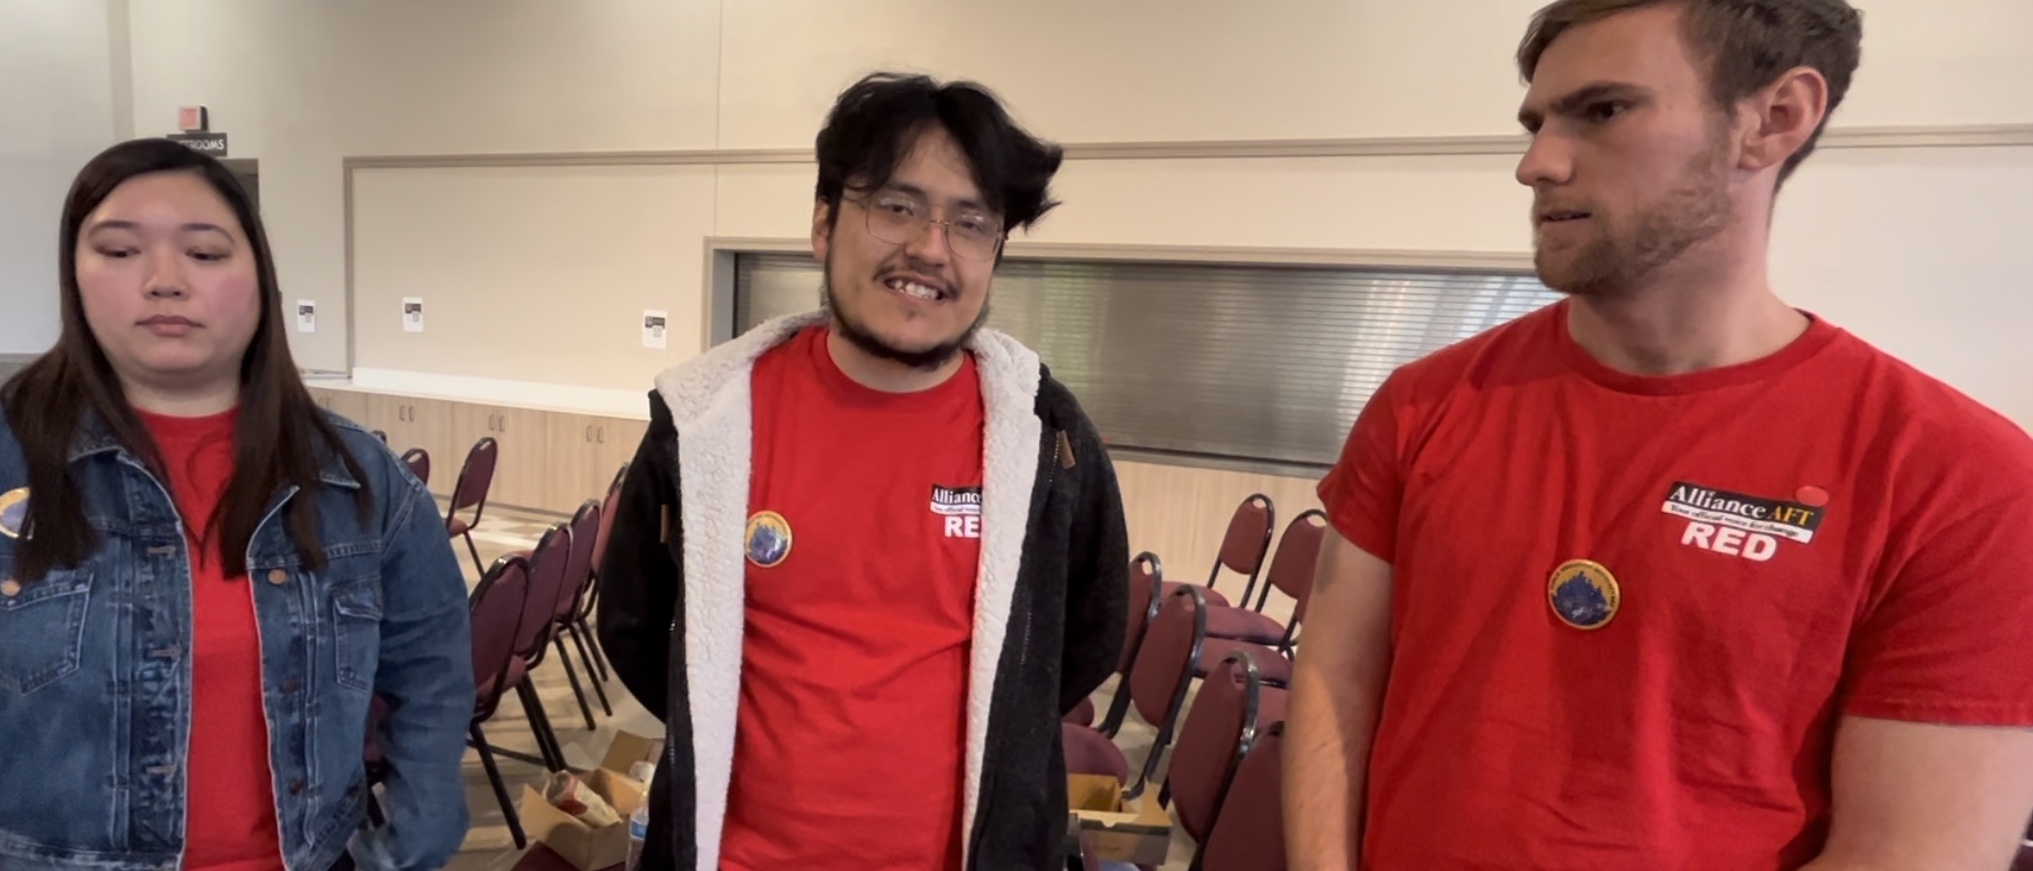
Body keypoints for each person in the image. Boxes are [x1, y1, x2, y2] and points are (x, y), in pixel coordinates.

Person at [1286, 1, 2033, 868]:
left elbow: (1907, 855)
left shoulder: (1960, 481)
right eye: (1535, 123)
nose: (1537, 164)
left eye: (1601, 112)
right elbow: (1334, 682)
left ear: (1774, 118)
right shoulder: (1423, 406)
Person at [597, 72, 1129, 871]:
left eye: (971, 222)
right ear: (823, 222)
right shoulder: (706, 422)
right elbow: (635, 625)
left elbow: (1083, 637)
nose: (929, 247)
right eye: (896, 205)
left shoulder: (1046, 440)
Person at [0, 139, 475, 871]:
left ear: (260, 280)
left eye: (206, 253)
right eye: (120, 251)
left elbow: (432, 668)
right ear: (75, 277)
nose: (163, 281)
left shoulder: (356, 477)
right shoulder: (12, 462)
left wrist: (415, 839)